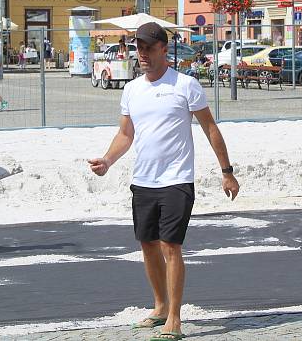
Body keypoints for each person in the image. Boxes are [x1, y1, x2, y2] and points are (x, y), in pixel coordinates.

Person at [87, 22, 240, 341]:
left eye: (146, 47)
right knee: (147, 244)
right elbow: (125, 134)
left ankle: (175, 318)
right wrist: (107, 160)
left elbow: (210, 128)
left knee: (171, 245)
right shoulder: (132, 89)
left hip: (177, 180)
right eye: (137, 47)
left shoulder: (185, 85)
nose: (140, 52)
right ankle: (159, 307)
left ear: (162, 49)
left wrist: (226, 171)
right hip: (143, 180)